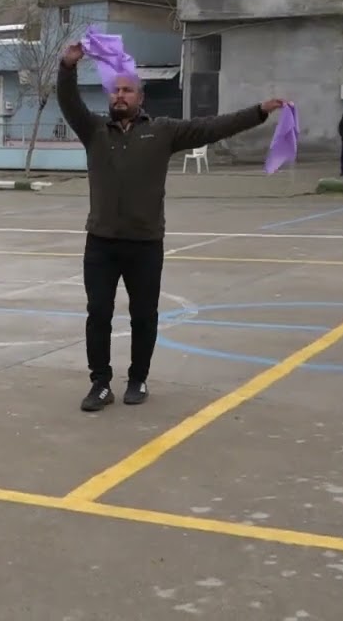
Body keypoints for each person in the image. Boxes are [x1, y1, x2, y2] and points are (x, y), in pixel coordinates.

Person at [57, 42, 285, 412]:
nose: (119, 95)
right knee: (98, 314)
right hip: (101, 244)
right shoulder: (94, 130)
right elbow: (69, 102)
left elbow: (212, 127)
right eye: (115, 90)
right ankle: (100, 383)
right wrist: (67, 67)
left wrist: (258, 112)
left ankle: (138, 379)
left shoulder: (162, 131)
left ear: (140, 97)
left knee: (144, 315)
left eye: (127, 90)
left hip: (145, 244)